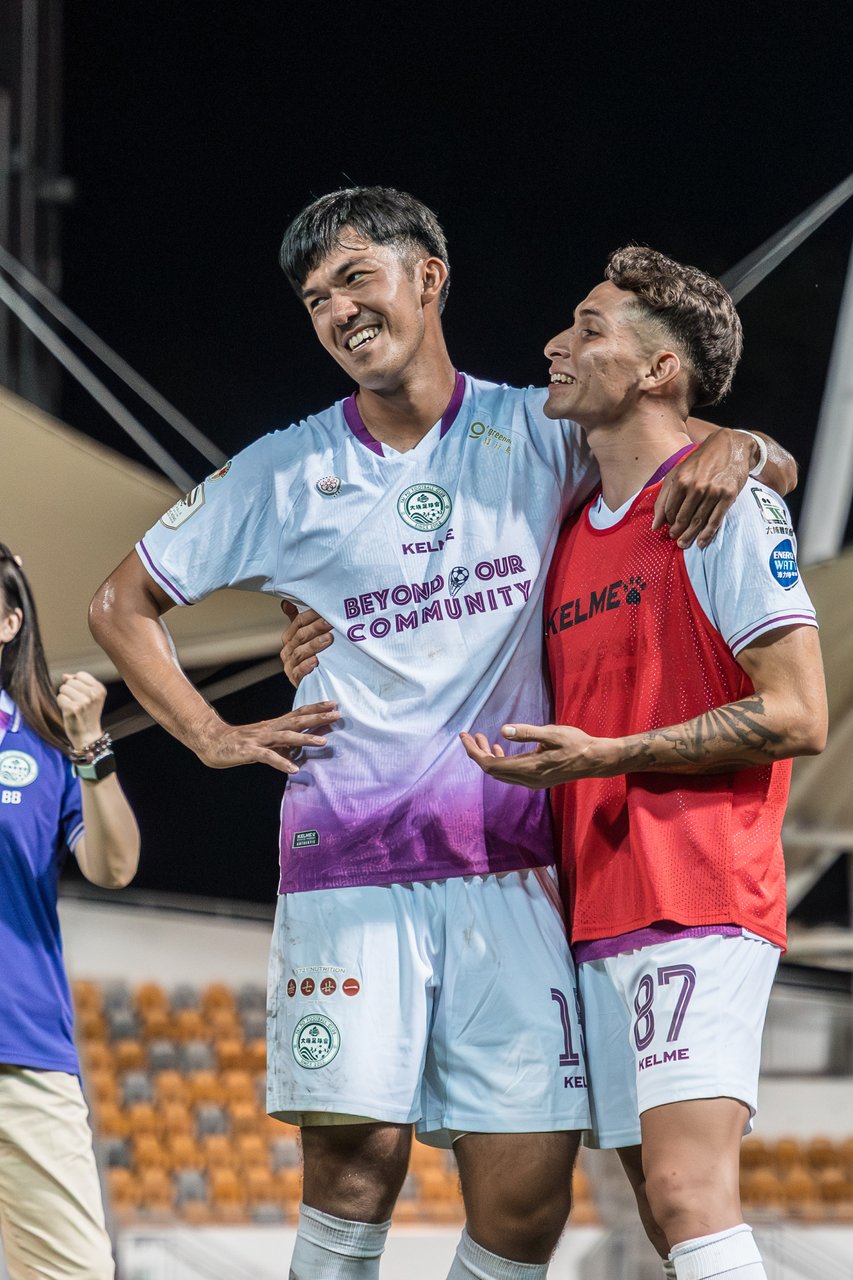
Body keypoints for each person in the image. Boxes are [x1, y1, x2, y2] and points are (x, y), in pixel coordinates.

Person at [89, 186, 797, 1280]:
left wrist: (746, 445)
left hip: (514, 871)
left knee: (524, 1201)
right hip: (350, 869)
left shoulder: (536, 427)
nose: (337, 309)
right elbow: (117, 603)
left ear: (428, 277)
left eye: (355, 277)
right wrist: (209, 735)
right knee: (355, 1176)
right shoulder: (283, 469)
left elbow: (685, 447)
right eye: (317, 297)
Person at [460, 247, 827, 1280]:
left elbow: (800, 711)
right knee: (660, 1215)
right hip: (595, 904)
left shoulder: (720, 508)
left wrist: (609, 756)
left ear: (659, 369)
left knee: (684, 1189)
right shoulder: (576, 529)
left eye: (587, 326)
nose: (556, 344)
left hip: (699, 889)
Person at [0, 545, 140, 1280]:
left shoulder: (47, 746)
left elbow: (113, 867)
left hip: (23, 1057)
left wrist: (90, 746)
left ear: (9, 621)